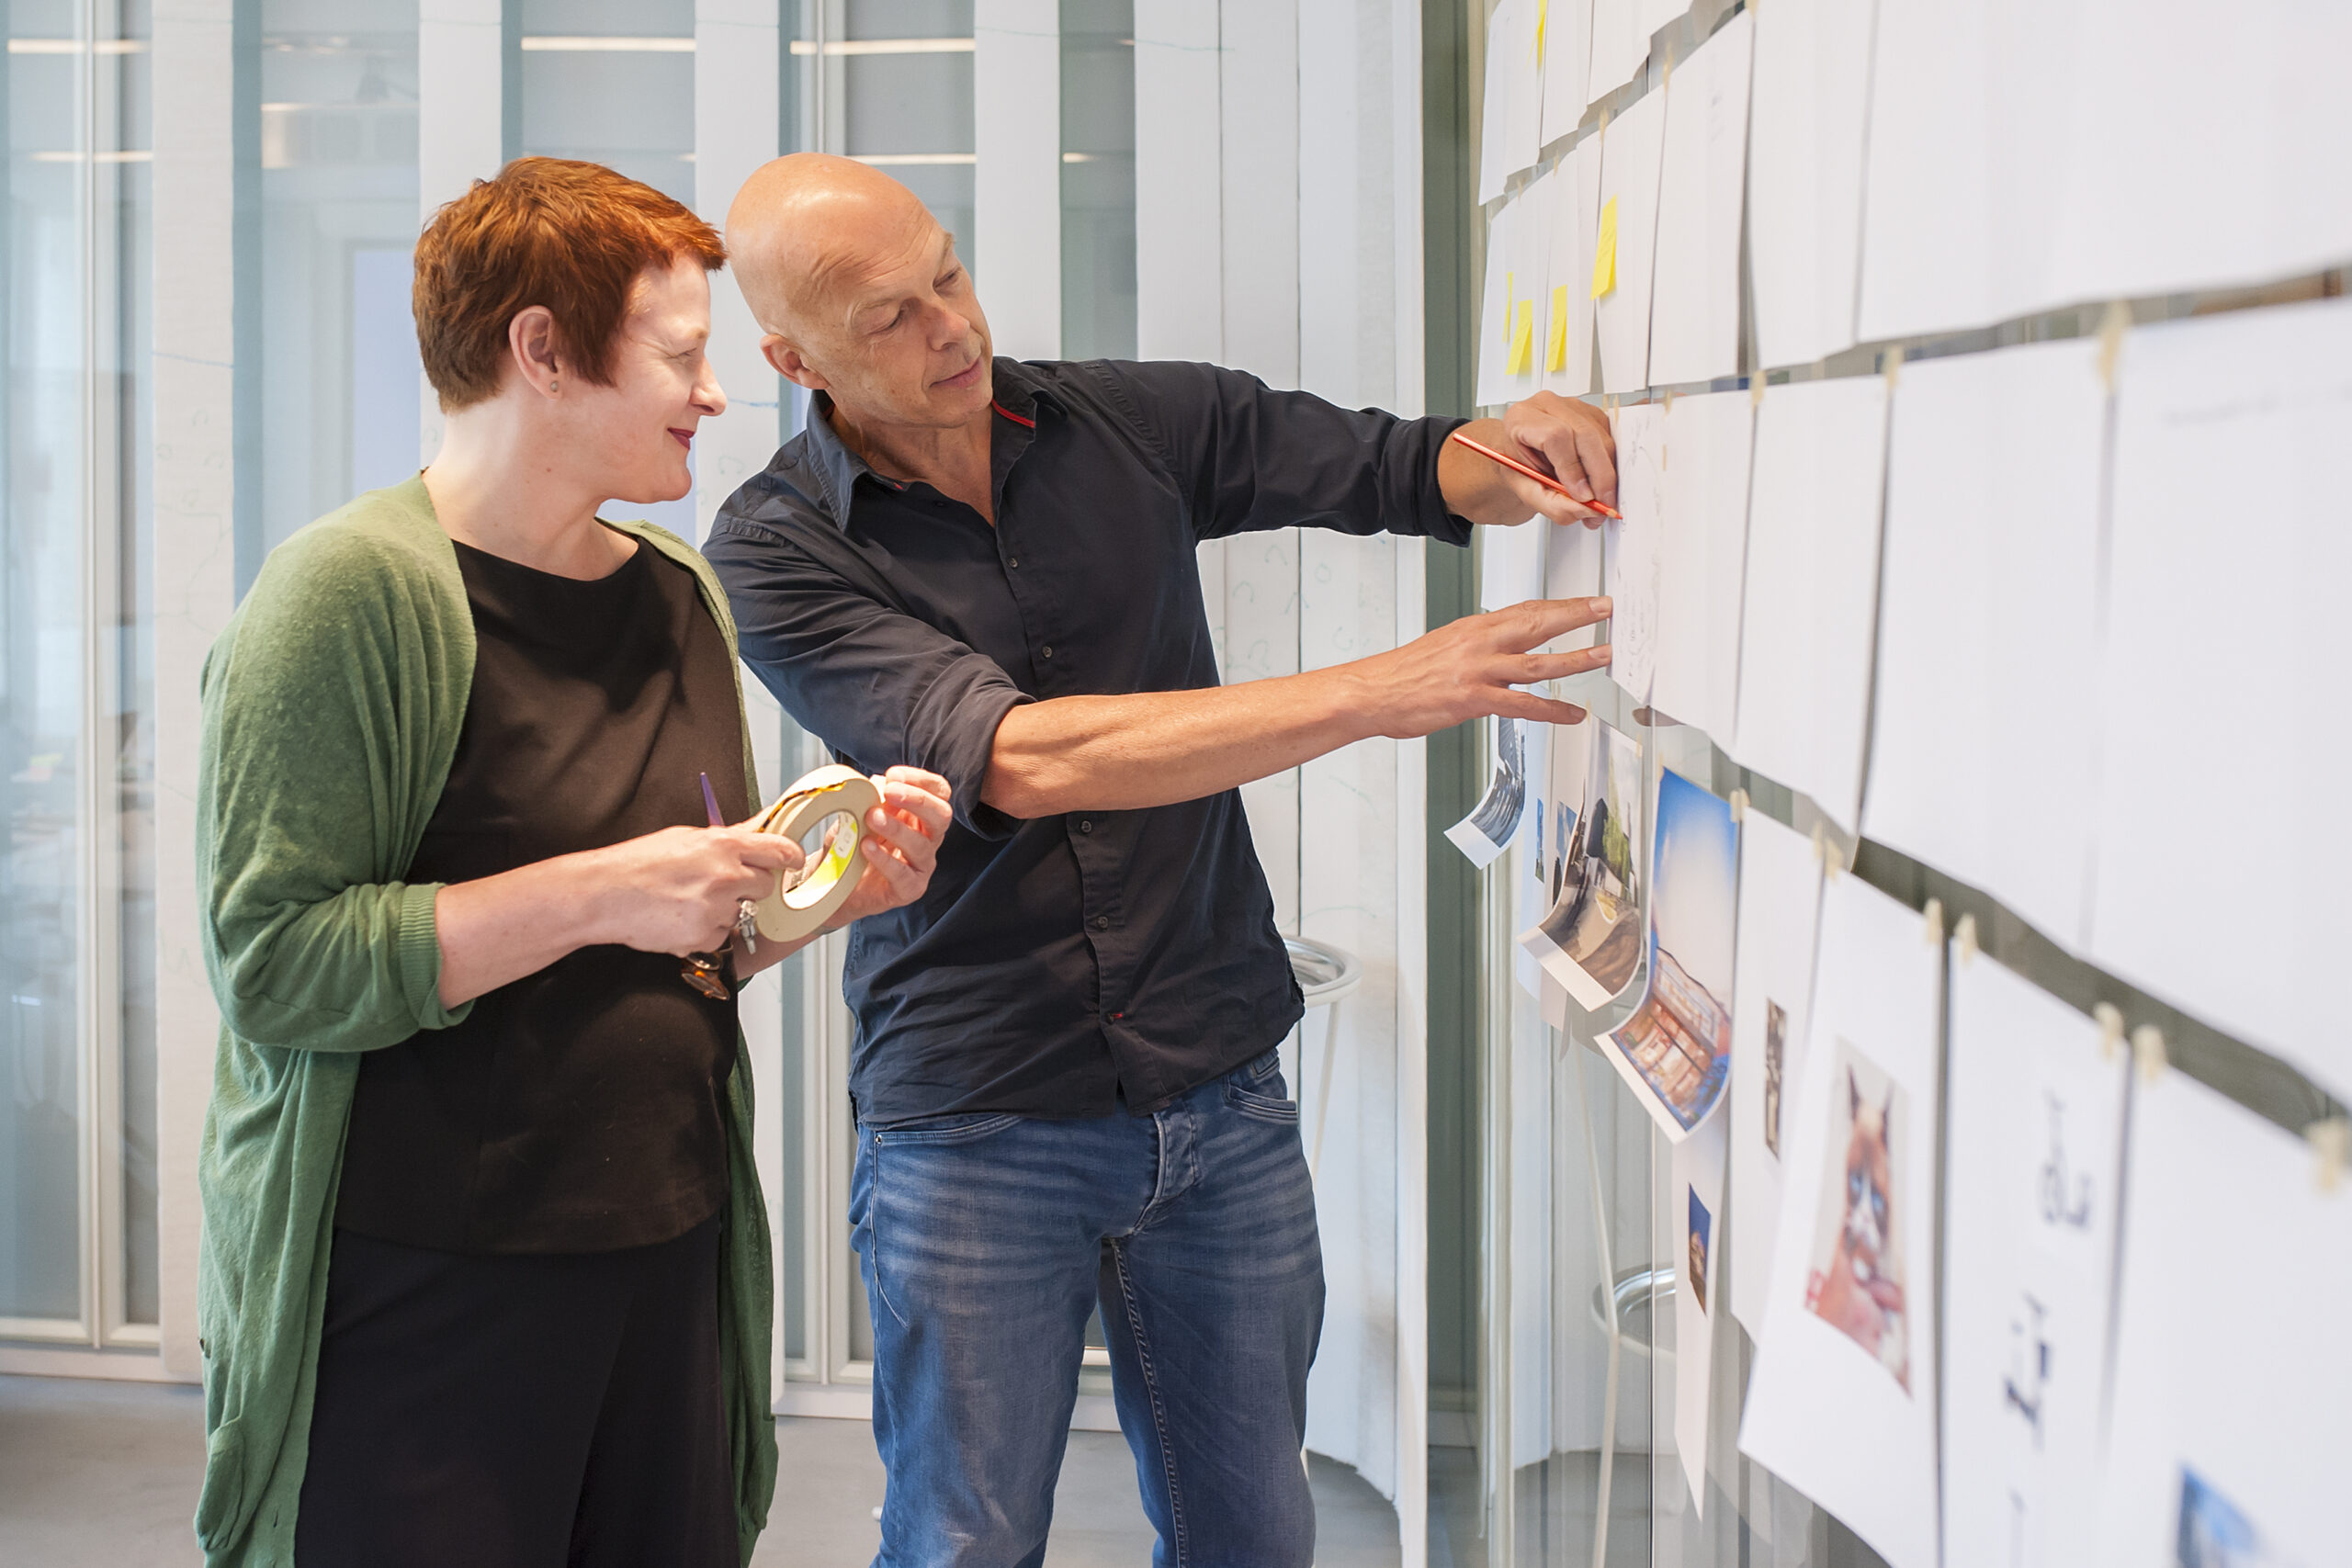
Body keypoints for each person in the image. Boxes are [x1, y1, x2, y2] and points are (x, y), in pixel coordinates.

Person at [705, 153, 1618, 1568]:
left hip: (1220, 1088)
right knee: (962, 1542)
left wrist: (1519, 451)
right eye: (888, 317)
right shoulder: (777, 546)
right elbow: (1019, 755)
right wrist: (1384, 688)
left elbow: (1397, 460)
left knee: (1252, 1533)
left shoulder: (1121, 423)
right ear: (792, 357)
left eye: (946, 271)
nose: (951, 325)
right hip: (975, 1117)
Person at [190, 156, 954, 1568]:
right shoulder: (346, 595)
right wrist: (603, 887)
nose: (714, 395)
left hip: (666, 1256)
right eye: (680, 355)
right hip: (421, 1294)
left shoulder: (679, 595)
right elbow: (275, 964)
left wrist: (823, 900)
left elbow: (689, 942)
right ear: (540, 349)